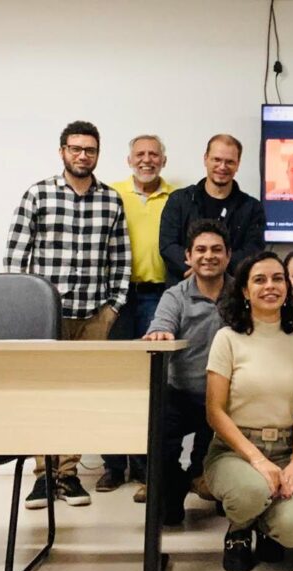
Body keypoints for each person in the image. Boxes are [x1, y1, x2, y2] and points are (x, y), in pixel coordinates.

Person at [4, 120, 130, 510]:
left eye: (90, 149)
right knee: (44, 395)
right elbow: (15, 256)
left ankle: (69, 475)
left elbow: (120, 258)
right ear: (62, 151)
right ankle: (43, 477)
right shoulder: (38, 195)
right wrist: (21, 309)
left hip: (94, 315)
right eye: (75, 148)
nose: (82, 155)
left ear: (97, 154)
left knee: (80, 396)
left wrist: (113, 308)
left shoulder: (110, 201)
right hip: (46, 317)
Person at [205, 251, 293, 571]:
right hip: (234, 451)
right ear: (244, 290)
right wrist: (257, 460)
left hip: (284, 450)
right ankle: (239, 529)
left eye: (278, 278)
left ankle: (265, 525)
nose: (270, 286)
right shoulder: (227, 338)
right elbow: (214, 410)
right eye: (260, 279)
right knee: (252, 491)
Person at [100, 134, 175, 500]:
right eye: (140, 154)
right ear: (129, 159)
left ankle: (147, 468)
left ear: (163, 160)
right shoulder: (111, 193)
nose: (147, 160)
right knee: (115, 379)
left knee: (152, 384)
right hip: (115, 298)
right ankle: (113, 466)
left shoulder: (176, 197)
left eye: (153, 155)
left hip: (157, 295)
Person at [143, 220, 233, 524]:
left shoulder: (241, 295)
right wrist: (159, 334)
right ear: (188, 257)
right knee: (166, 511)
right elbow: (161, 325)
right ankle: (180, 482)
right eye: (201, 250)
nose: (209, 256)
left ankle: (203, 474)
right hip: (179, 394)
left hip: (226, 399)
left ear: (228, 256)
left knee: (223, 495)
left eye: (216, 250)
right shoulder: (175, 295)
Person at [159, 134, 265, 286]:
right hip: (183, 291)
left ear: (238, 164)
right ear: (205, 159)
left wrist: (213, 271)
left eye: (229, 162)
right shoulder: (179, 200)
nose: (222, 167)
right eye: (217, 159)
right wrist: (200, 269)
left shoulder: (252, 208)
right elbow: (168, 245)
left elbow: (252, 251)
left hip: (231, 293)